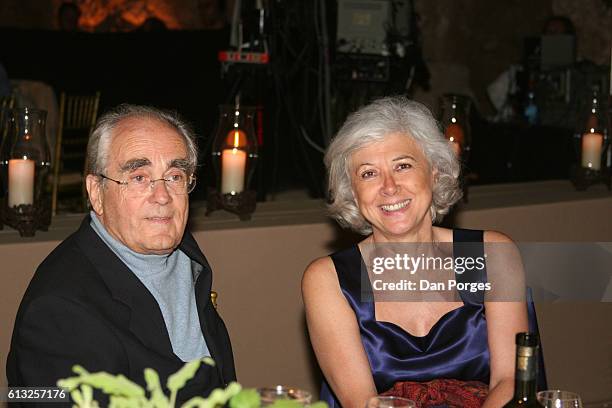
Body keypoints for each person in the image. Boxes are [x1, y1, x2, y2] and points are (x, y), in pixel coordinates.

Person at [302, 96, 528, 408]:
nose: (389, 187)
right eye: (368, 173)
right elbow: (361, 402)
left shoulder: (493, 255)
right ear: (352, 190)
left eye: (403, 166)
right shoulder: (328, 280)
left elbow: (511, 382)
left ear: (434, 172)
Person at [7, 105, 236, 403]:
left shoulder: (187, 259)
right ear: (96, 193)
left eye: (175, 176)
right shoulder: (57, 311)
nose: (163, 195)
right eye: (139, 177)